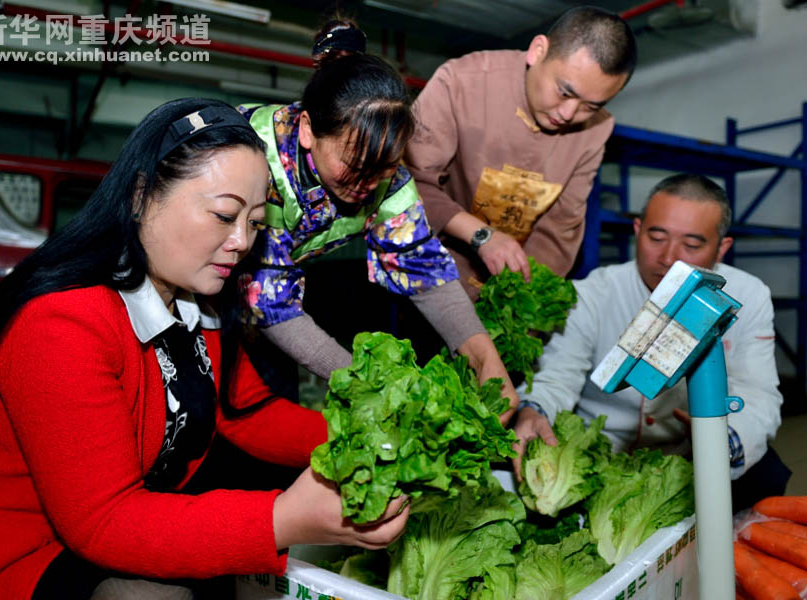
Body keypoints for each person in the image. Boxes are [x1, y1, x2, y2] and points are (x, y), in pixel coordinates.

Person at [0, 99, 411, 600]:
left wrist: (377, 439)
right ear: (141, 196)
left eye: (255, 222)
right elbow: (105, 521)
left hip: (87, 536)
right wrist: (283, 520)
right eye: (223, 214)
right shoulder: (62, 324)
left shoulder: (196, 303)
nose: (241, 241)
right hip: (3, 564)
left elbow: (246, 412)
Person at [238, 19, 519, 411]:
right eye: (354, 165)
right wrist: (368, 387)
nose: (367, 184)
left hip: (262, 304)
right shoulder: (251, 158)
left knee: (274, 403)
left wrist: (486, 361)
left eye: (385, 167)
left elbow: (423, 270)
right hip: (187, 294)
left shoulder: (389, 180)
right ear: (307, 130)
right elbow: (273, 303)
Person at [514, 173, 789, 511]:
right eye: (656, 237)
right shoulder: (593, 294)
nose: (669, 257)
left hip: (688, 451)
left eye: (692, 245)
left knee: (766, 479)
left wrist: (722, 441)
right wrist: (533, 409)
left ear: (722, 248)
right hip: (605, 450)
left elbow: (758, 392)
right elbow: (557, 377)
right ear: (637, 229)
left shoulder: (748, 295)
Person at [405, 6, 637, 299]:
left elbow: (560, 227)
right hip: (430, 269)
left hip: (508, 284)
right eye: (565, 92)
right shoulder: (461, 82)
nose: (568, 114)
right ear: (538, 51)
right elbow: (409, 182)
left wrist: (522, 300)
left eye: (591, 107)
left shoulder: (596, 129)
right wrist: (481, 235)